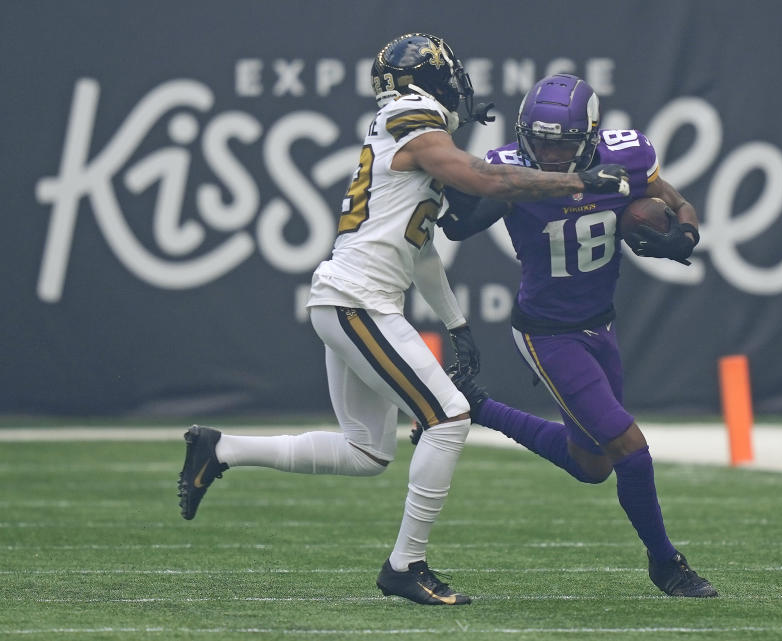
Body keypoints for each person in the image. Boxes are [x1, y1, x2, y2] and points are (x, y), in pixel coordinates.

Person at [177, 38, 631, 607]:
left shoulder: (417, 130)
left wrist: (458, 324)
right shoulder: (410, 118)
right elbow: (486, 181)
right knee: (450, 417)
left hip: (352, 298)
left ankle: (220, 451)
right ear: (430, 80)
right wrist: (581, 181)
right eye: (451, 76)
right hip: (356, 299)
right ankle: (405, 565)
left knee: (366, 452)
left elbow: (420, 249)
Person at [416, 73, 717, 598]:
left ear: (591, 139)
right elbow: (456, 225)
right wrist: (466, 206)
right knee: (630, 446)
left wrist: (683, 233)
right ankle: (667, 564)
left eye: (562, 143)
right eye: (541, 140)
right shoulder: (510, 169)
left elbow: (677, 202)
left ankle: (477, 406)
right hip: (548, 333)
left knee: (593, 464)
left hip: (601, 324)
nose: (549, 154)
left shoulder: (626, 157)